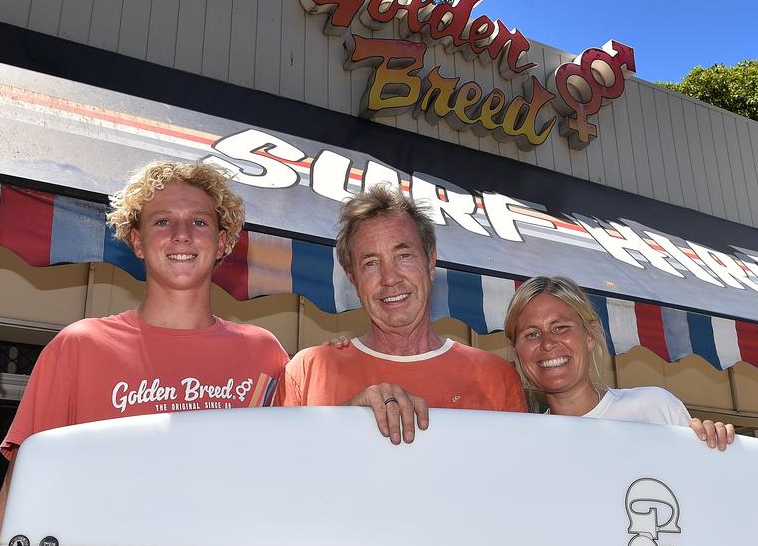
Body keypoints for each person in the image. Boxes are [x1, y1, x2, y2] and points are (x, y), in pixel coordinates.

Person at [0, 161, 289, 546]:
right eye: (161, 221)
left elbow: (290, 497)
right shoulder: (79, 347)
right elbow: (18, 500)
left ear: (223, 241)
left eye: (199, 221)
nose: (181, 235)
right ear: (137, 241)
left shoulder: (265, 356)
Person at [280, 183, 526, 442]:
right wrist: (346, 422)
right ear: (353, 278)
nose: (390, 278)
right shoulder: (307, 372)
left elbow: (516, 476)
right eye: (371, 263)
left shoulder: (495, 377)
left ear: (430, 263)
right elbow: (283, 471)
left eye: (404, 256)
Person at [504, 275, 734, 450]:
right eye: (532, 334)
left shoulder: (655, 408)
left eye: (560, 328)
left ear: (590, 336)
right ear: (517, 350)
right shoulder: (524, 444)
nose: (547, 343)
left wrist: (714, 444)